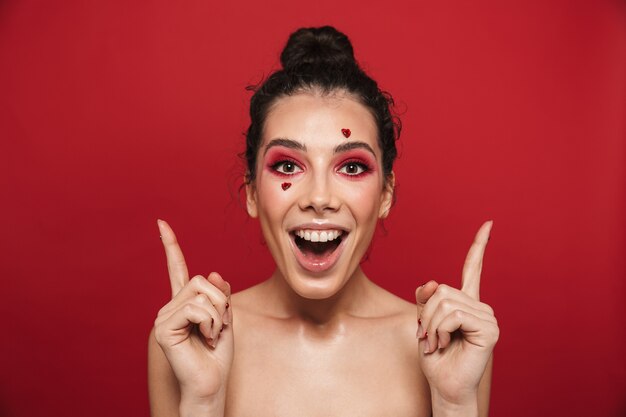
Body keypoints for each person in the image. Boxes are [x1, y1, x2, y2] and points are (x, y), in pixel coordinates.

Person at [148, 26, 499, 417]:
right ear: (250, 192)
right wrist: (202, 401)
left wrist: (454, 404)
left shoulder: (448, 342)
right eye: (287, 165)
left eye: (351, 166)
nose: (319, 198)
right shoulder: (189, 338)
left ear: (386, 194)